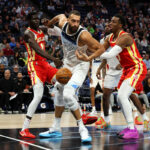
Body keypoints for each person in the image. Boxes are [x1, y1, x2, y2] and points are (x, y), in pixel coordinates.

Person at [76, 14, 149, 139]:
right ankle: (127, 125)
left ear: (120, 25)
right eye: (110, 20)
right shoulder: (109, 37)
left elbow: (109, 54)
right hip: (125, 69)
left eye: (113, 22)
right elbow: (100, 50)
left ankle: (135, 127)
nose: (110, 23)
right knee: (120, 98)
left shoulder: (125, 37)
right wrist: (88, 53)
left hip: (136, 67)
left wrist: (90, 56)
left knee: (123, 95)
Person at [39, 10, 105, 143]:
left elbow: (101, 48)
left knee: (68, 94)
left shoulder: (84, 35)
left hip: (80, 66)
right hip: (67, 64)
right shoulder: (63, 23)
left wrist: (88, 58)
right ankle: (56, 128)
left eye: (78, 21)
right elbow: (59, 16)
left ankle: (82, 129)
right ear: (68, 20)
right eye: (73, 20)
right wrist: (50, 24)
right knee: (58, 89)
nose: (75, 24)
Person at [19, 11, 63, 139]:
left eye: (37, 19)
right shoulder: (28, 33)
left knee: (64, 81)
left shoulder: (42, 29)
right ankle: (24, 128)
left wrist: (50, 24)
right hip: (35, 65)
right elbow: (37, 49)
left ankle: (58, 122)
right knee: (38, 96)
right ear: (29, 21)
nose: (37, 21)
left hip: (45, 64)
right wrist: (53, 58)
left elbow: (60, 33)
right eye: (33, 19)